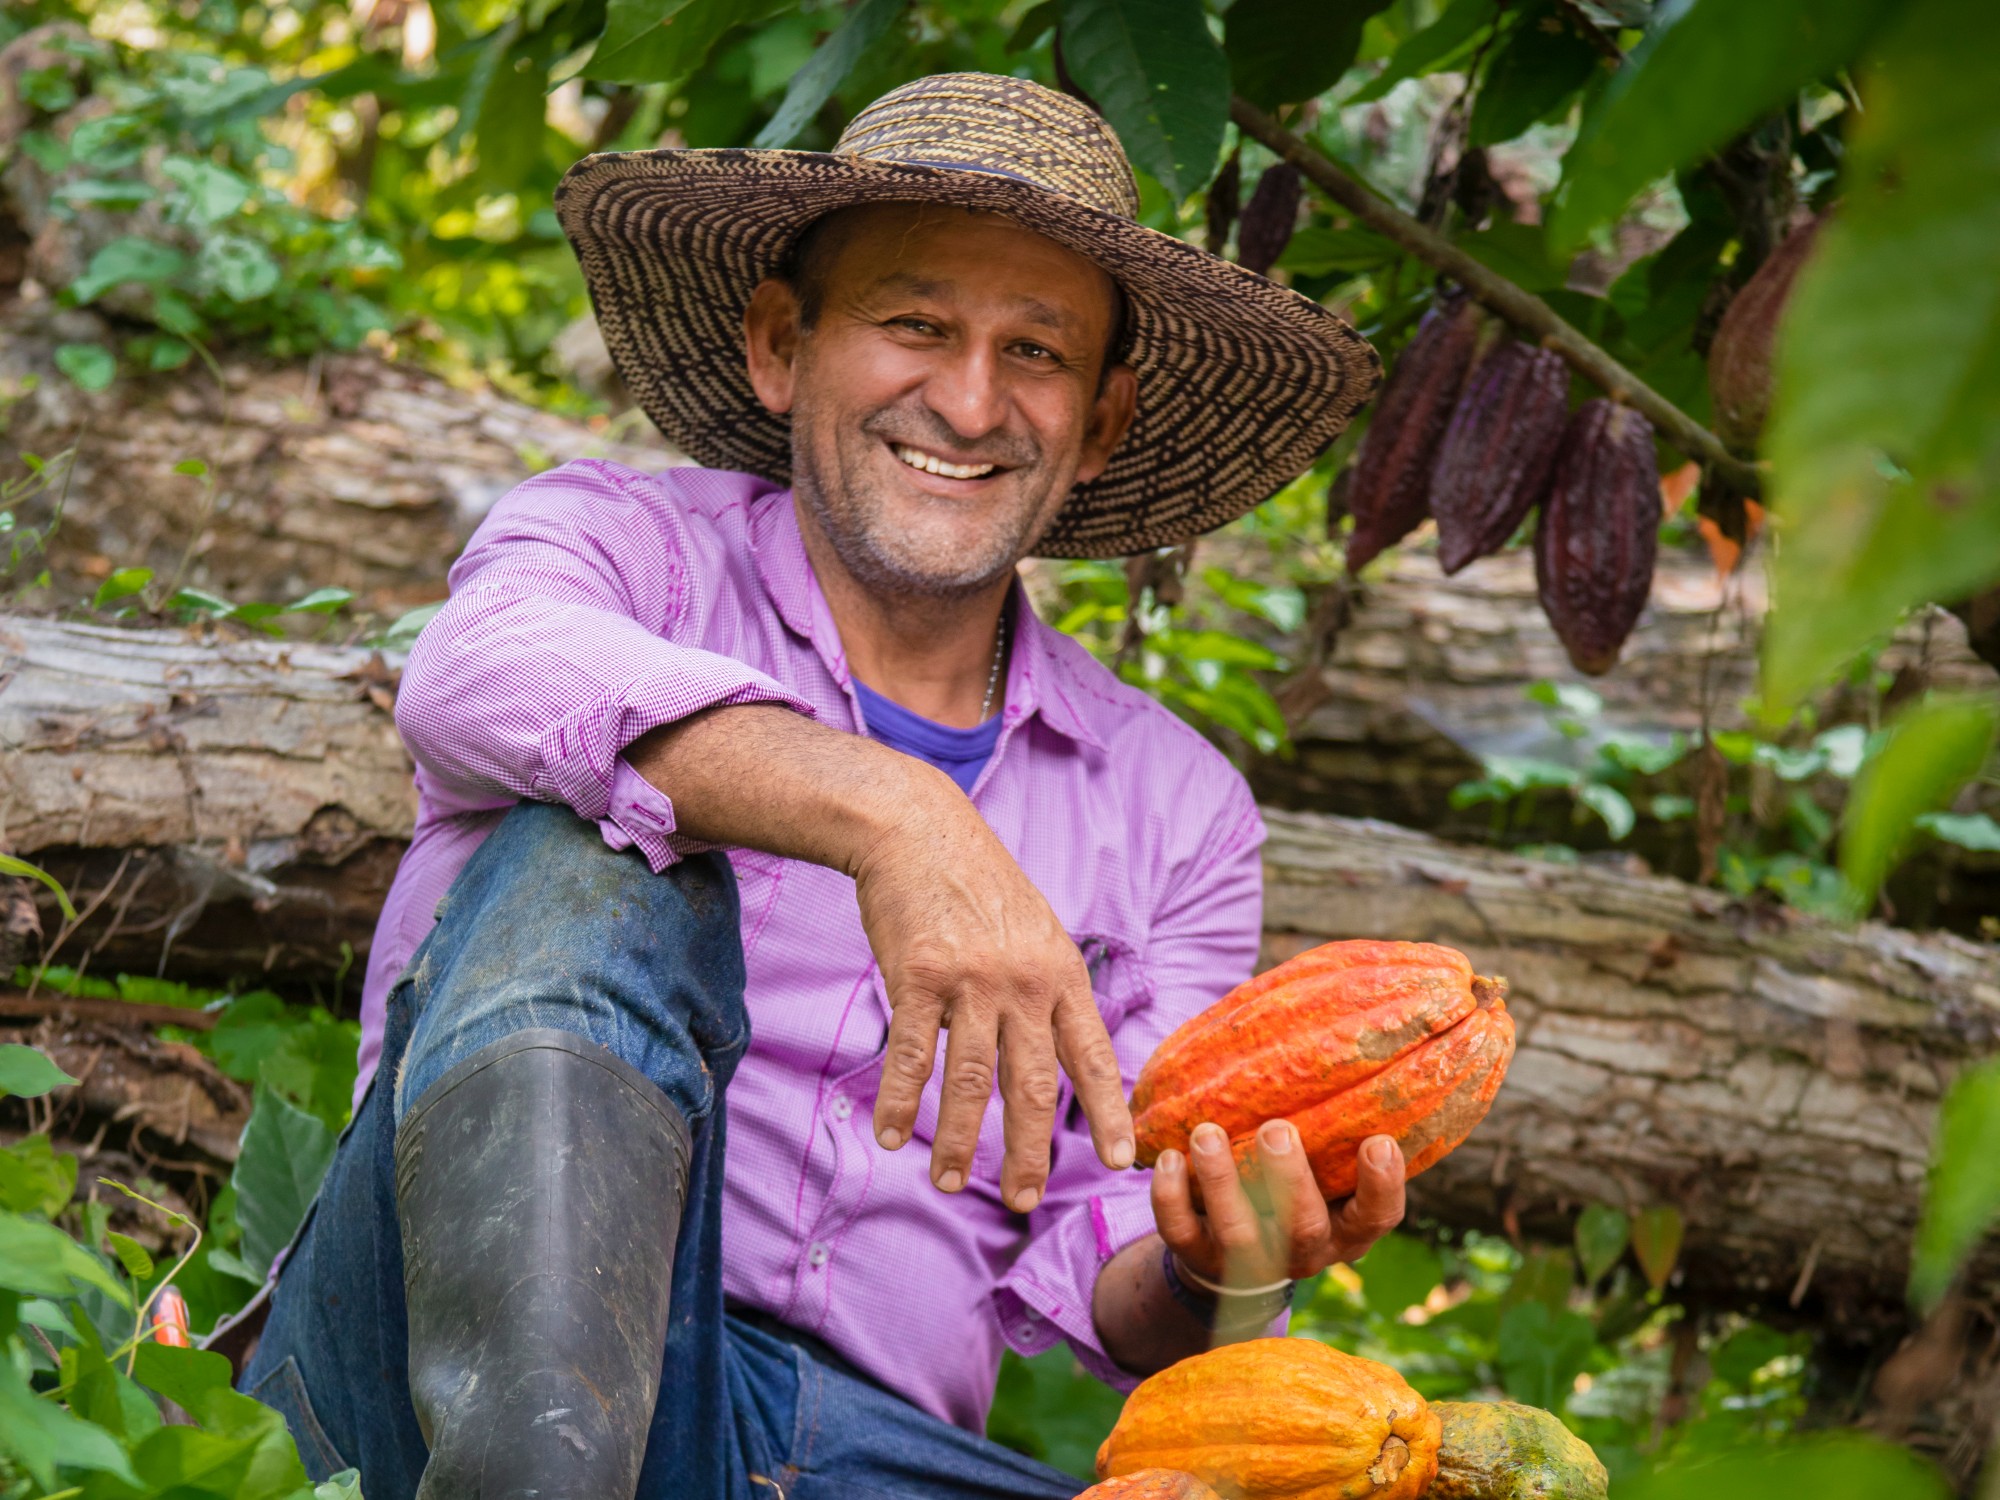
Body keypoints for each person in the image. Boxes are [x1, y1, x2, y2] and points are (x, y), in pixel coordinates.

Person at [235, 71, 1400, 1499]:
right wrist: (898, 813)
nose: (969, 403)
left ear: (1097, 427)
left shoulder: (1179, 812)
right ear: (782, 344)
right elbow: (477, 671)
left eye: (1036, 353)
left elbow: (1115, 1272)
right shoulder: (624, 550)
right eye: (915, 324)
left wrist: (1220, 1258)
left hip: (851, 1458)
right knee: (591, 851)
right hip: (423, 1363)